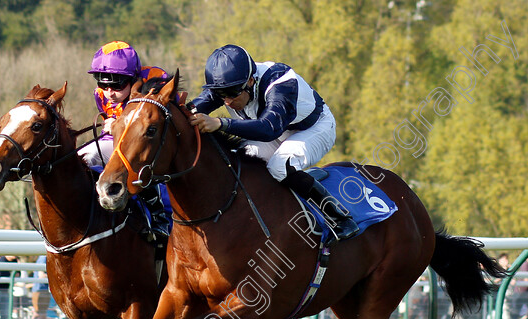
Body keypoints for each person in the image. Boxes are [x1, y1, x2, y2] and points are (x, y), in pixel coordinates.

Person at [190, 44, 358, 240]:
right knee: (239, 163)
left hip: (315, 129)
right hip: (276, 133)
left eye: (233, 94)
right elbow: (191, 109)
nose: (227, 102)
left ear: (251, 81)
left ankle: (339, 217)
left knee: (280, 166)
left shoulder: (280, 81)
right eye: (221, 95)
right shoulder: (231, 84)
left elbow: (269, 128)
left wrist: (220, 123)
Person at [78, 40, 171, 238]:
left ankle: (160, 216)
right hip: (118, 144)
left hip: (152, 146)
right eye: (102, 83)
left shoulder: (155, 80)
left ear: (134, 78)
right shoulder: (101, 95)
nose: (109, 92)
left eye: (116, 84)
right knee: (83, 156)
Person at [29, 255, 51, 319]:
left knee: (38, 315)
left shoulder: (43, 257)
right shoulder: (43, 257)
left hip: (41, 290)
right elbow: (41, 275)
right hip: (40, 290)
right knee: (41, 315)